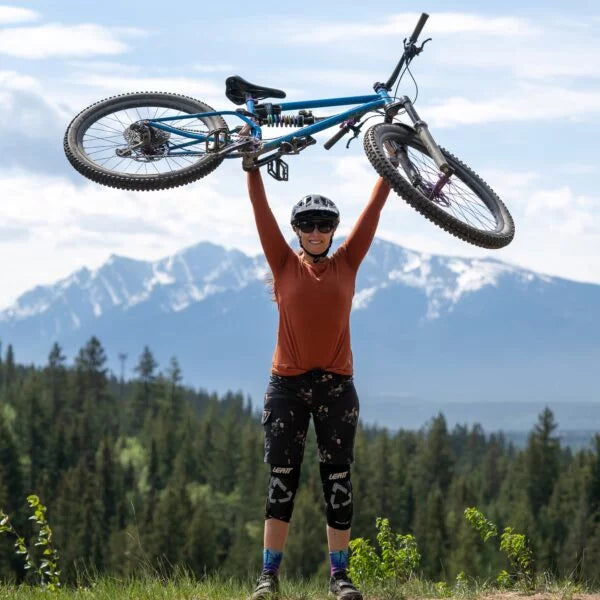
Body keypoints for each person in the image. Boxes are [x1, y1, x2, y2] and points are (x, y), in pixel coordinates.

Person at [246, 163, 391, 600]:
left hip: (336, 387)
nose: (315, 231)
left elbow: (374, 208)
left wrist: (390, 165)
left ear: (333, 231)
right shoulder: (284, 264)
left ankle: (339, 577)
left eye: (324, 224)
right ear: (295, 230)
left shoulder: (348, 261)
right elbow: (260, 209)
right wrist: (252, 169)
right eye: (307, 224)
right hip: (286, 386)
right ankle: (268, 577)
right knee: (281, 480)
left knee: (337, 479)